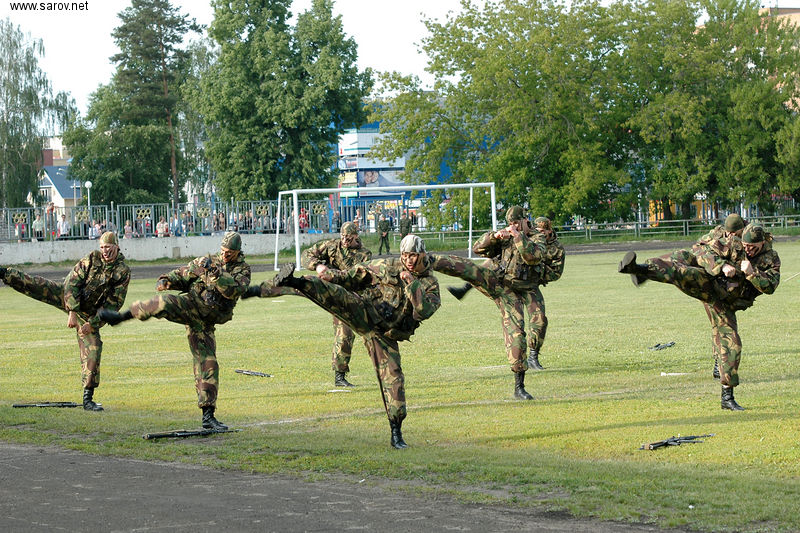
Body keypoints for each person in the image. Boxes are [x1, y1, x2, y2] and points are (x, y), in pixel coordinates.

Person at [265, 234, 440, 449]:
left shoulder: (429, 283)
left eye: (413, 255)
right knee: (338, 295)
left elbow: (423, 311)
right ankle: (294, 281)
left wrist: (412, 284)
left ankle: (396, 432)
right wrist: (331, 275)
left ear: (422, 254)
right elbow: (353, 274)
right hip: (365, 312)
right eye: (405, 255)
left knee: (394, 380)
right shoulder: (386, 266)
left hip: (385, 336)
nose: (408, 260)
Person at [618, 223, 780, 410]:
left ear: (762, 243)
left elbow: (770, 286)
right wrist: (722, 266)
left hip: (728, 303)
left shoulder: (771, 258)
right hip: (711, 286)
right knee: (683, 268)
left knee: (732, 344)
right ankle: (640, 269)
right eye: (745, 246)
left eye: (752, 247)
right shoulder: (732, 243)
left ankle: (727, 398)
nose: (748, 250)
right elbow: (703, 252)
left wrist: (752, 273)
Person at [100, 232, 250, 430]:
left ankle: (208, 416)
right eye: (222, 251)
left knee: (208, 363)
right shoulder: (207, 261)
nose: (225, 255)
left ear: (237, 251)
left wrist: (215, 272)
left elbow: (233, 291)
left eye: (229, 252)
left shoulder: (242, 270)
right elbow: (184, 273)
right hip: (191, 305)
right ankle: (121, 317)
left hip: (206, 320)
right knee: (164, 302)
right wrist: (166, 280)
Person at [0, 232, 130, 410]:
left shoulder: (122, 271)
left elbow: (113, 304)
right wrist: (72, 311)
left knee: (94, 348)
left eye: (108, 247)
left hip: (89, 316)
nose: (105, 251)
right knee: (38, 284)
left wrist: (92, 324)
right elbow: (72, 283)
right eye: (102, 247)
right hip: (69, 298)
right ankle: (4, 273)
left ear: (116, 246)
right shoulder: (92, 258)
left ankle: (88, 399)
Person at [427, 206, 546, 400]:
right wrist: (494, 237)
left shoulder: (537, 237)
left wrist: (518, 236)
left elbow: (533, 257)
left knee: (518, 334)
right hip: (502, 285)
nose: (513, 227)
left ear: (526, 221)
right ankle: (428, 260)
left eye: (517, 223)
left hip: (521, 290)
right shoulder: (505, 235)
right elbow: (478, 248)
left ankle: (519, 387)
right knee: (470, 268)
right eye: (511, 224)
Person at [244, 222, 371, 386]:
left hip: (343, 296)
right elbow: (306, 255)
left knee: (345, 332)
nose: (345, 241)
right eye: (343, 237)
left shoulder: (364, 255)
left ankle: (339, 376)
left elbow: (357, 276)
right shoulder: (331, 246)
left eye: (349, 238)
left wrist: (331, 274)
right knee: (295, 284)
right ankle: (256, 290)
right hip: (322, 286)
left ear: (356, 237)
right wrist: (318, 266)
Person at [446, 216, 565, 370]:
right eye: (538, 230)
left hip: (530, 285)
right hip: (510, 283)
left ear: (549, 231)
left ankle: (533, 357)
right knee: (491, 264)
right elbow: (490, 253)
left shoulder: (556, 249)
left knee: (540, 320)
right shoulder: (526, 237)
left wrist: (538, 272)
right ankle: (466, 287)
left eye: (543, 231)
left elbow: (556, 273)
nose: (540, 233)